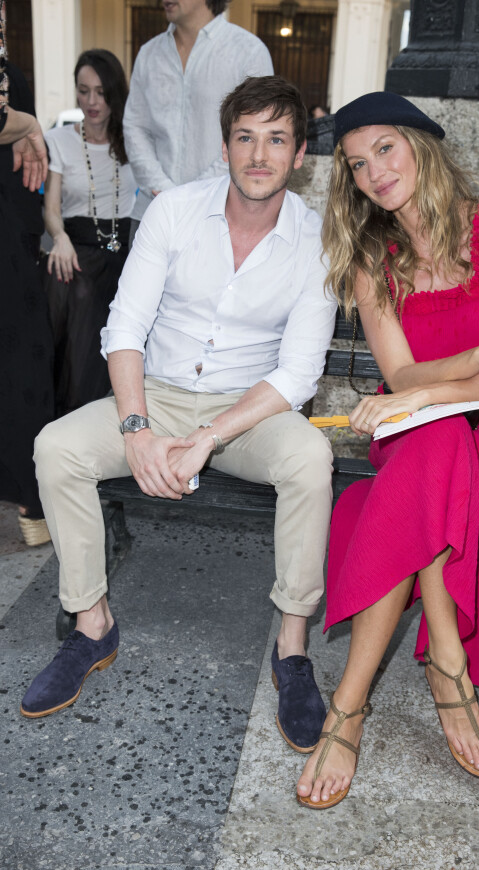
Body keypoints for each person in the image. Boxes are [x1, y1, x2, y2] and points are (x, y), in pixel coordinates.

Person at [21, 76, 337, 759]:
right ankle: (91, 623)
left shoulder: (315, 241)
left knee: (312, 460)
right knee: (57, 447)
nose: (259, 154)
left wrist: (207, 440)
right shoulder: (173, 211)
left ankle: (292, 648)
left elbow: (298, 372)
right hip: (156, 393)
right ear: (224, 147)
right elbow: (125, 326)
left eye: (276, 139)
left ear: (300, 154)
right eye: (245, 137)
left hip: (247, 409)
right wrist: (136, 430)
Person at [296, 91, 479, 809]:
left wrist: (425, 395)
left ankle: (348, 709)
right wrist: (465, 361)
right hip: (420, 436)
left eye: (384, 149)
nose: (372, 173)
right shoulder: (373, 257)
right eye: (356, 165)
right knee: (435, 445)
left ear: (422, 142)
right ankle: (447, 669)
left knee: (440, 444)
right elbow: (401, 377)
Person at [123, 0, 273, 232]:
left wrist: (190, 196)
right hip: (152, 214)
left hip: (219, 220)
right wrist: (164, 191)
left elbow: (254, 137)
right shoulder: (149, 53)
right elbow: (135, 128)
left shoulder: (248, 51)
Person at [43, 50, 136, 417]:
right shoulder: (60, 140)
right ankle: (72, 414)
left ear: (115, 93)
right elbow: (51, 209)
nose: (92, 102)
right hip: (77, 246)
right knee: (74, 290)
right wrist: (60, 238)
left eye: (101, 92)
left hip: (125, 252)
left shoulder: (134, 140)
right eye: (83, 91)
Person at [0, 0, 54, 547]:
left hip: (12, 244)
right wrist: (26, 122)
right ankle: (32, 504)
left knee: (25, 365)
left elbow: (29, 173)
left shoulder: (12, 77)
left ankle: (33, 502)